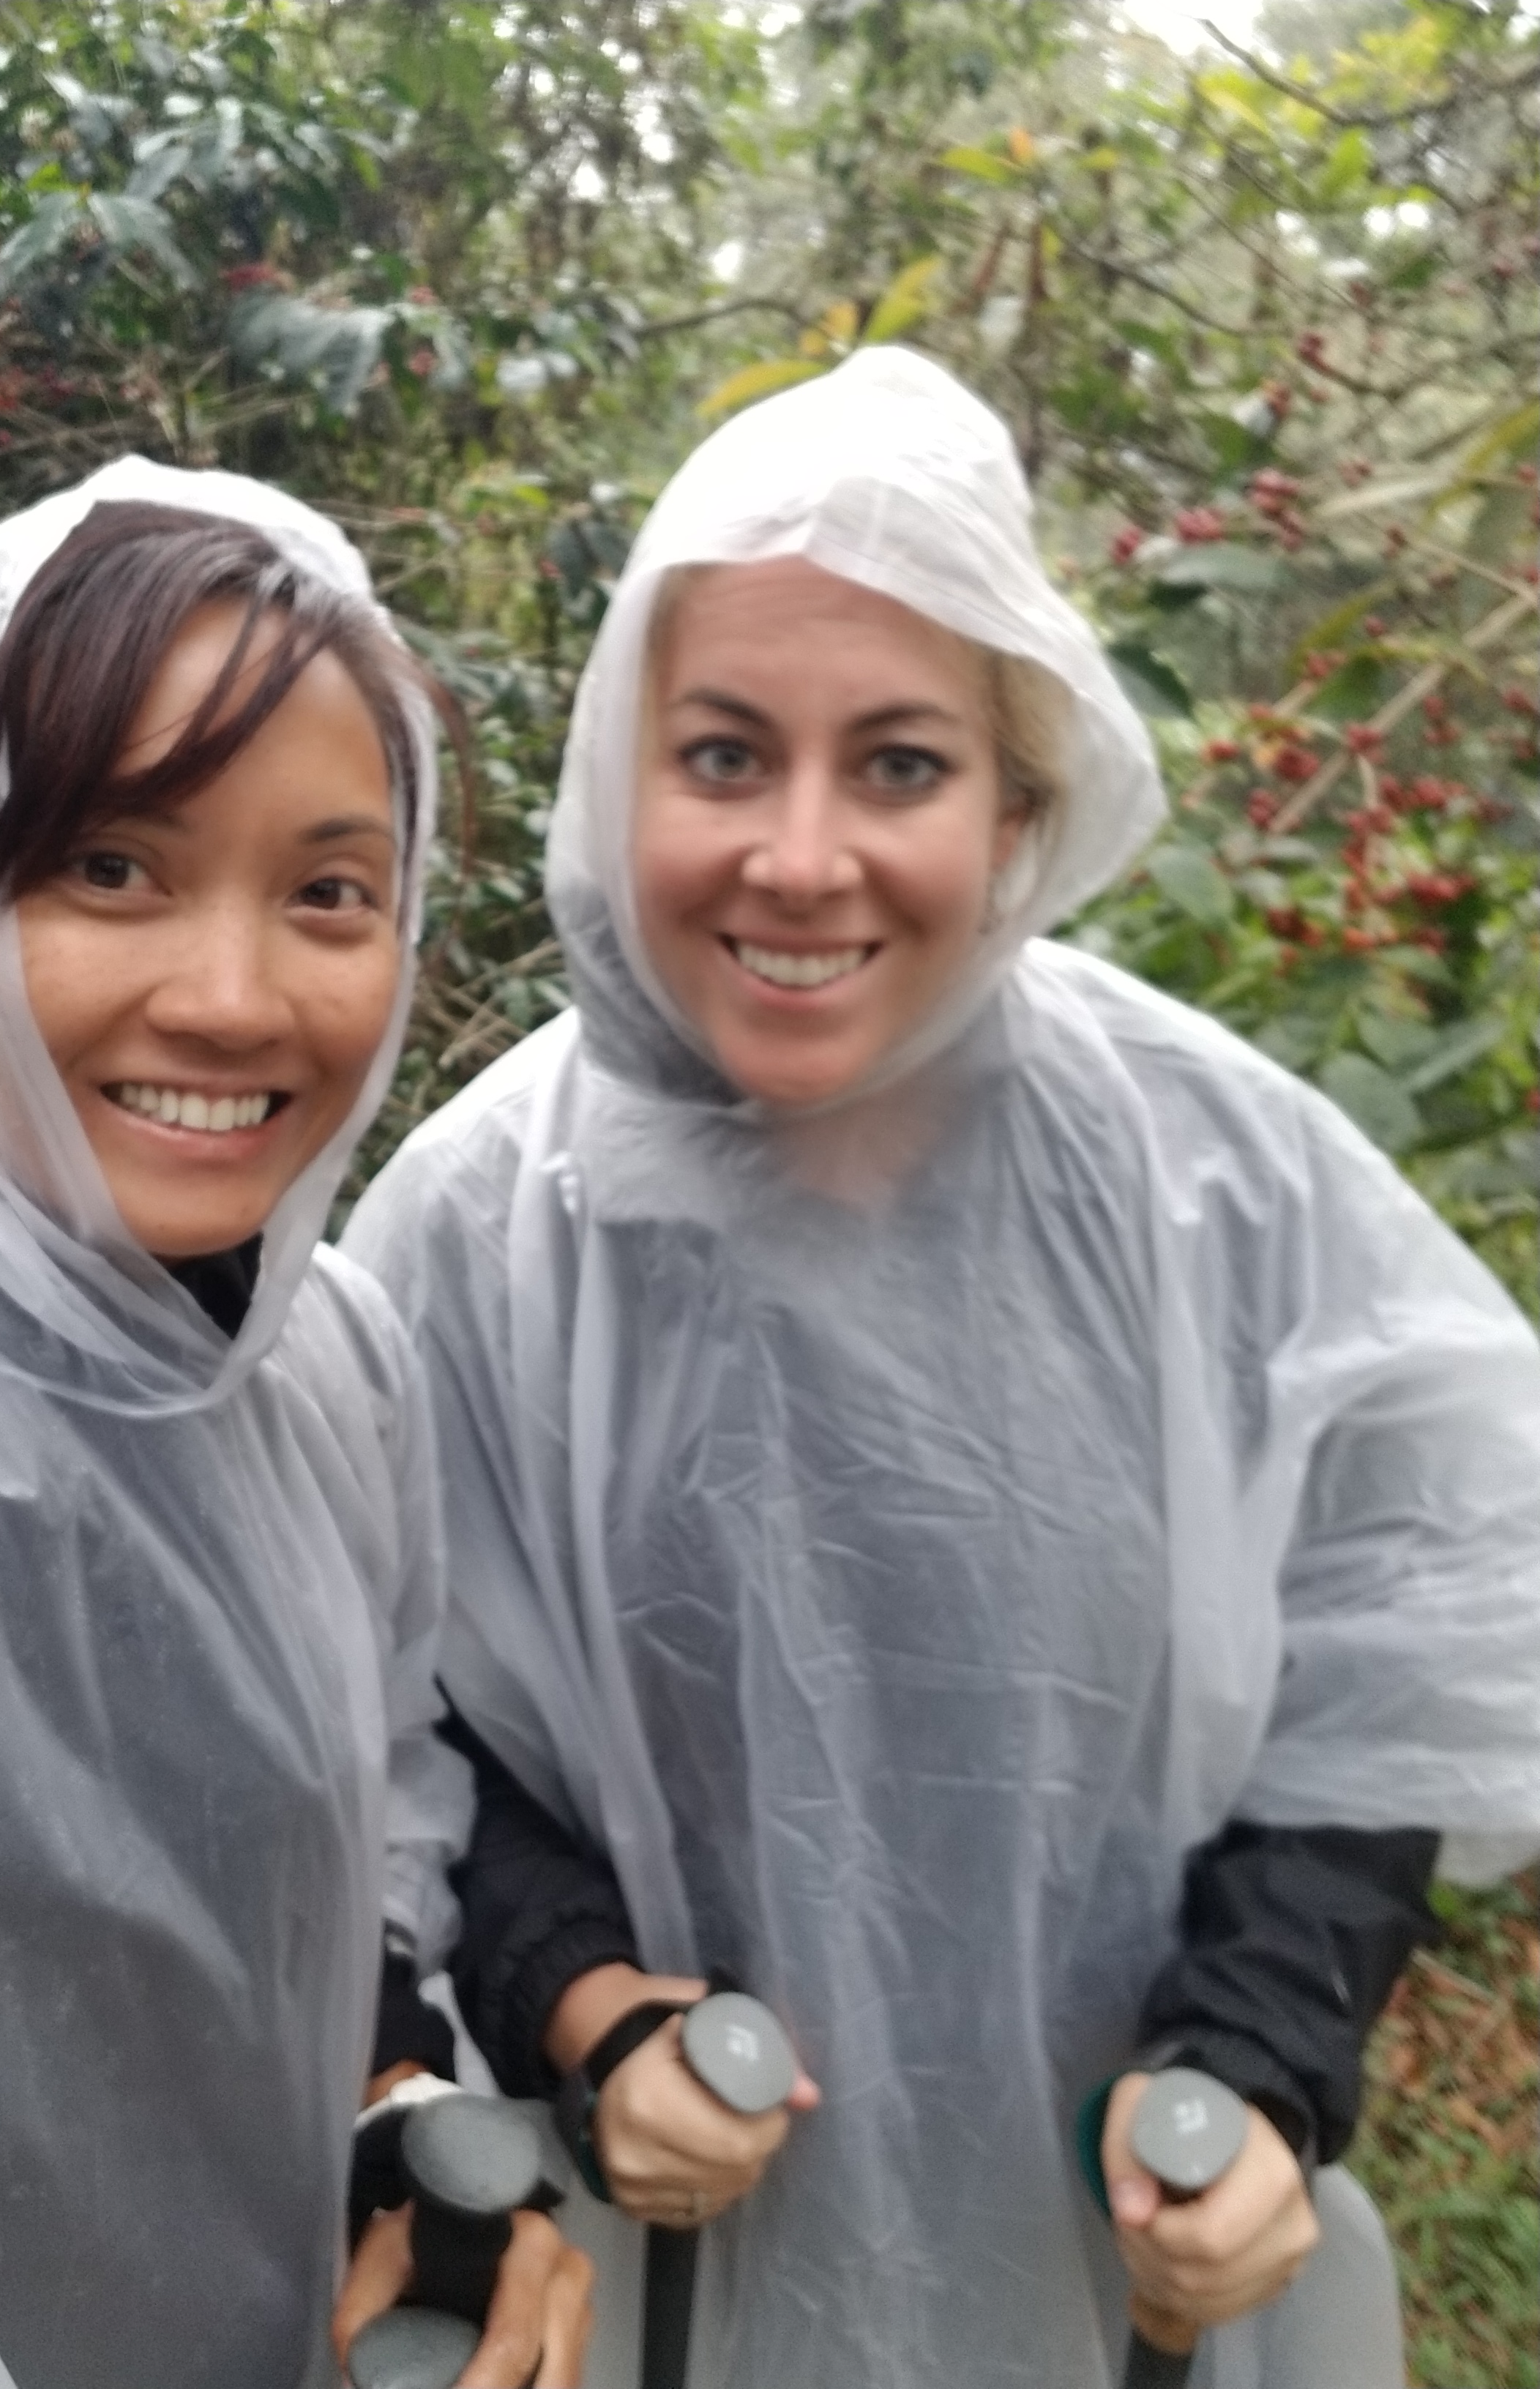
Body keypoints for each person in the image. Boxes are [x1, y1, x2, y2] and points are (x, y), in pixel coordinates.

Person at [345, 348, 1540, 2386]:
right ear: (624, 776)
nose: (801, 859)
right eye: (725, 755)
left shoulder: (1204, 1185)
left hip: (1124, 2275)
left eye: (898, 765)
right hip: (647, 2282)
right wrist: (587, 2006)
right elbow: (388, 1726)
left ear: (1019, 812)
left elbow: (1395, 1635)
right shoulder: (481, 1230)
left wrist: (1260, 2051)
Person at [0, 460, 591, 2389]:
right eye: (112, 868)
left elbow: (359, 1827)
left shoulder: (319, 1358)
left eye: (328, 893)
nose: (231, 998)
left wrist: (397, 2117)